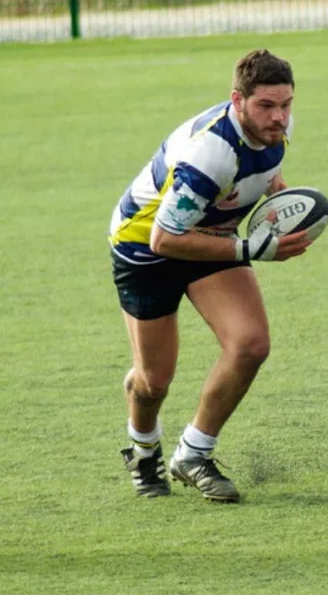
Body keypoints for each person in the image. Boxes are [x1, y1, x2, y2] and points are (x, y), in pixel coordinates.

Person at [108, 49, 310, 503]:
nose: (279, 117)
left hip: (210, 233)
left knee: (250, 344)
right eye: (266, 106)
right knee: (154, 381)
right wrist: (252, 248)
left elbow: (268, 176)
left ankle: (194, 453)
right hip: (146, 247)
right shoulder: (211, 154)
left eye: (286, 104)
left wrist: (286, 205)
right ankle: (143, 450)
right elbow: (164, 240)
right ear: (237, 100)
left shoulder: (278, 128)